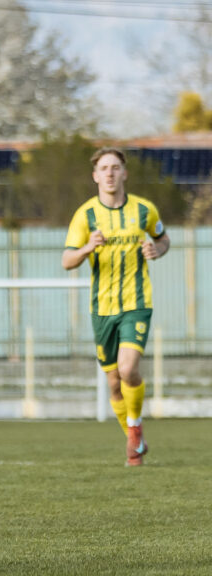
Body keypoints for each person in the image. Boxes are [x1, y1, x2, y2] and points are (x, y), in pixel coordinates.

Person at [62, 146, 170, 467]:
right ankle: (135, 439)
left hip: (136, 304)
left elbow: (163, 239)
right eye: (104, 168)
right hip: (102, 308)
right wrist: (87, 247)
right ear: (95, 176)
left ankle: (134, 430)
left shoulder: (144, 210)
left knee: (128, 369)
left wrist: (157, 249)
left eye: (115, 167)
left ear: (125, 173)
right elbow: (67, 260)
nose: (109, 173)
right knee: (114, 384)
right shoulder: (85, 215)